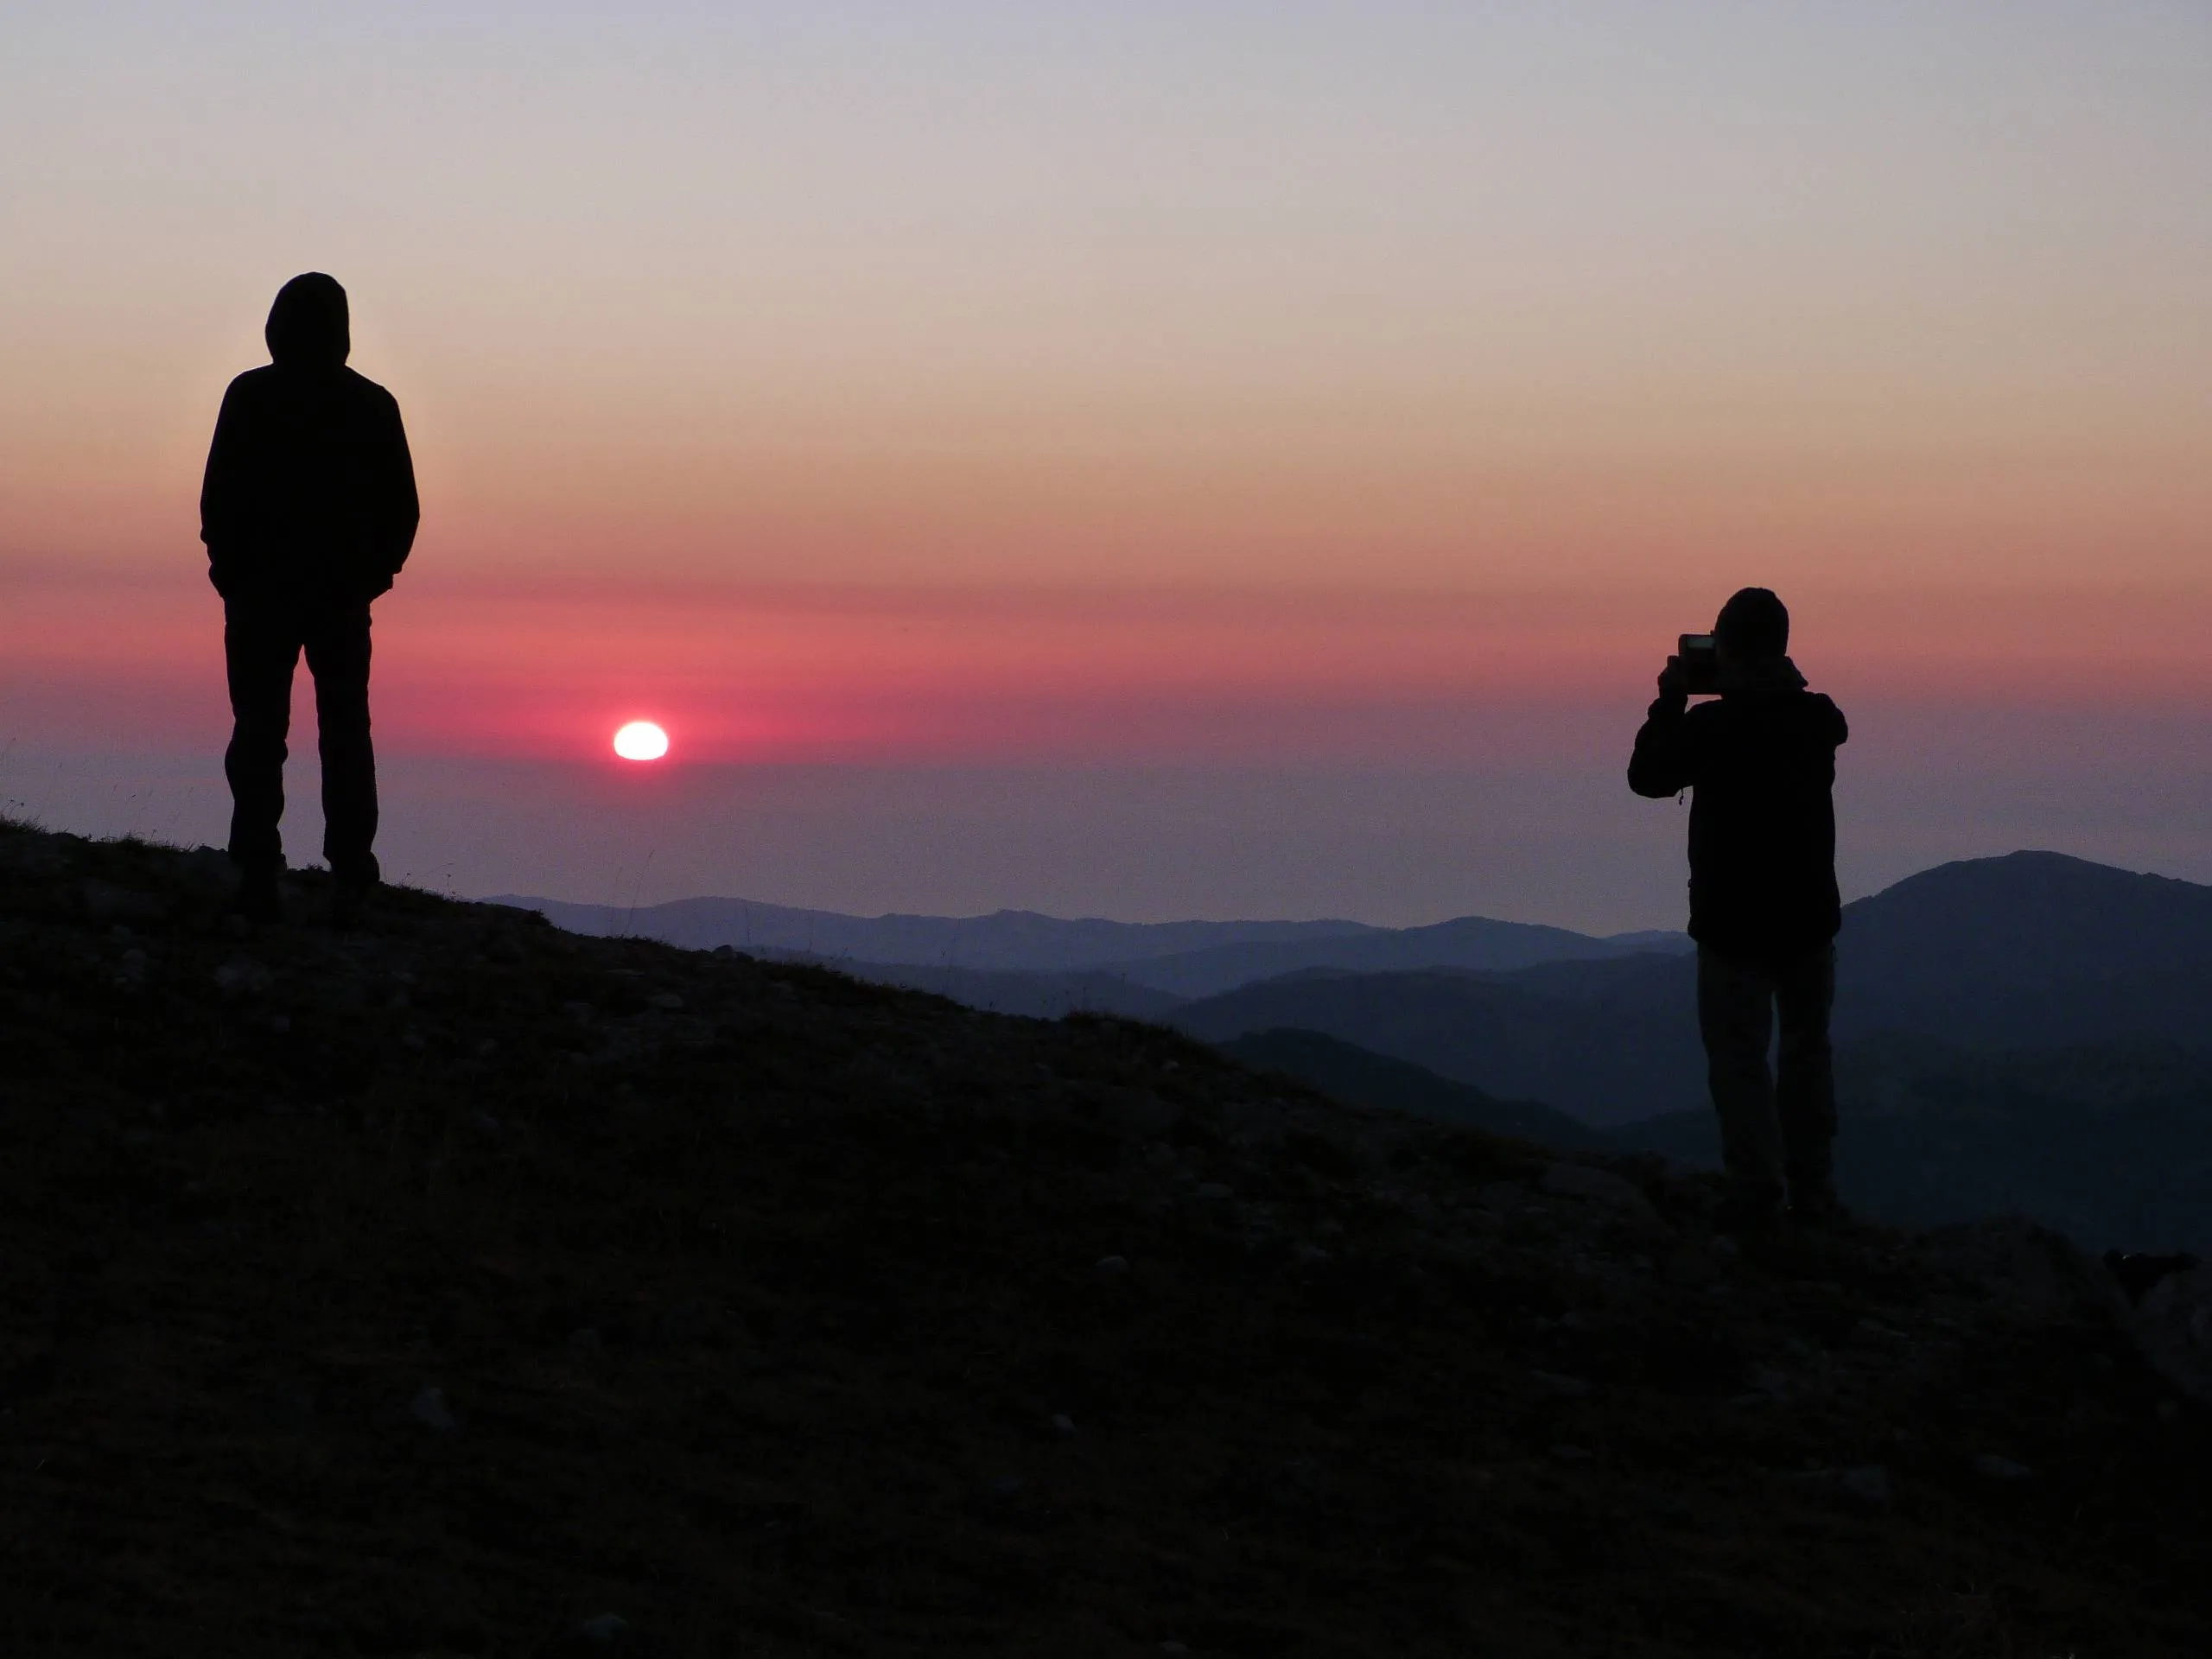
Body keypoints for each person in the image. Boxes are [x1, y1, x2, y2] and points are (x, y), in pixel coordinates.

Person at [1629, 588, 1849, 1232]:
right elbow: (1816, 718)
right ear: (1783, 646)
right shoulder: (1816, 721)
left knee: (1739, 1059)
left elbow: (1647, 776)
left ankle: (1756, 1194)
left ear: (1725, 648)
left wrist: (1672, 697)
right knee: (1808, 1057)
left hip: (1732, 925)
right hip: (1808, 920)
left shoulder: (1713, 728)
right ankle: (1814, 1196)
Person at [200, 273, 418, 924]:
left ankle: (261, 870)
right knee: (340, 732)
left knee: (264, 731)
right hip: (325, 599)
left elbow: (218, 497)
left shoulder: (253, 395)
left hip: (275, 597)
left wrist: (231, 570)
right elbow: (401, 510)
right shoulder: (370, 404)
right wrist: (372, 577)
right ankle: (345, 873)